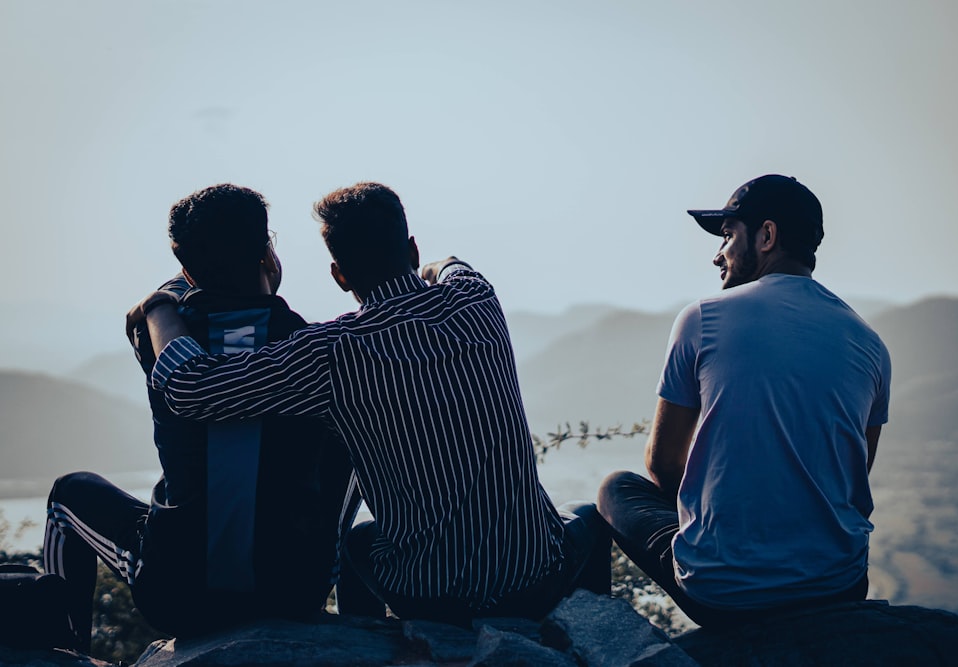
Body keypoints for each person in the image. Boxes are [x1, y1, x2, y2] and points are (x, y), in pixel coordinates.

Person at [133, 182, 610, 624]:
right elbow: (453, 265)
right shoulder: (476, 300)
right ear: (411, 248)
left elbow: (191, 387)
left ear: (339, 275)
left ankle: (367, 644)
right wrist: (429, 269)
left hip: (429, 599)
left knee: (363, 539)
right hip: (535, 583)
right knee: (586, 513)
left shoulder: (331, 351)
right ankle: (588, 636)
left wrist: (158, 307)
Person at [43, 184, 360, 651]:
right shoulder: (311, 346)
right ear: (269, 254)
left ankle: (66, 651)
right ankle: (359, 625)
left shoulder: (165, 348)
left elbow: (183, 299)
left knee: (67, 495)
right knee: (346, 442)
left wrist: (160, 303)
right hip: (293, 591)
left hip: (180, 597)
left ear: (188, 270)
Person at [598, 174, 891, 628]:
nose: (719, 255)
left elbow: (663, 466)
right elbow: (850, 478)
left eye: (729, 236)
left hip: (724, 594)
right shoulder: (871, 345)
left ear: (767, 235)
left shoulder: (702, 318)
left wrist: (728, 524)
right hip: (839, 586)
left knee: (616, 488)